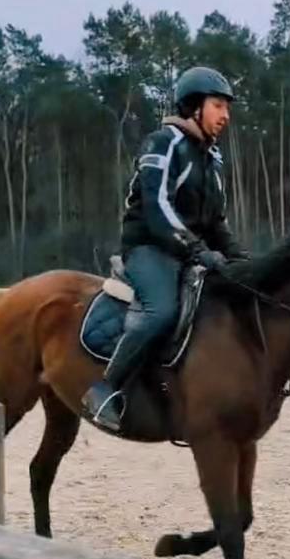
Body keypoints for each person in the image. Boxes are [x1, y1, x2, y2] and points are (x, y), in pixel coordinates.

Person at [81, 65, 248, 432]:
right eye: (218, 105)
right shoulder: (164, 143)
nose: (226, 115)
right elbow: (158, 211)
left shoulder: (212, 159)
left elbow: (216, 222)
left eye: (227, 108)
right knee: (160, 311)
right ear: (194, 106)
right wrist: (197, 250)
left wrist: (242, 260)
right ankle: (105, 388)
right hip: (148, 247)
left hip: (186, 250)